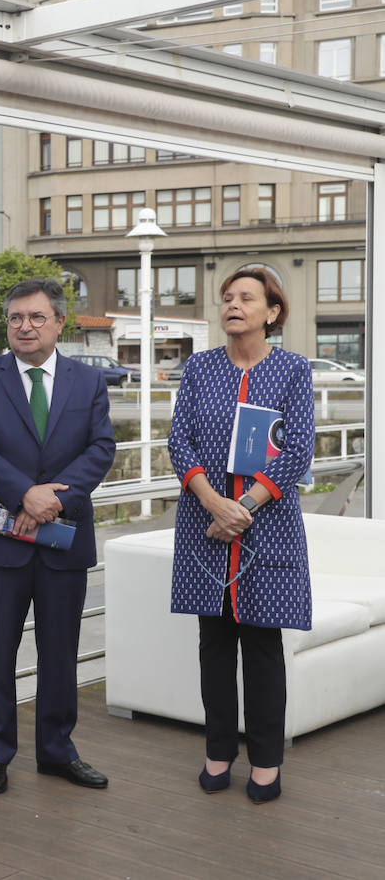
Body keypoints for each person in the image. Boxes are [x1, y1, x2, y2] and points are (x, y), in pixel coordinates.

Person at [0, 277, 116, 795]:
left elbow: (100, 449)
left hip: (64, 536)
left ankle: (56, 751)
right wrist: (26, 495)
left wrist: (51, 503)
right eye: (16, 318)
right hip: (2, 538)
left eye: (36, 317)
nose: (25, 326)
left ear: (59, 323)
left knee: (61, 652)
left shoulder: (87, 382)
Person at [167, 268, 313, 804]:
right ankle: (218, 752)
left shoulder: (293, 370)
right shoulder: (200, 368)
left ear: (272, 312)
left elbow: (298, 449)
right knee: (213, 644)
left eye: (246, 298)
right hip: (204, 524)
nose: (233, 305)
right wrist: (212, 500)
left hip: (266, 525)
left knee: (262, 646)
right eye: (227, 298)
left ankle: (267, 762)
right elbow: (178, 440)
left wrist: (244, 506)